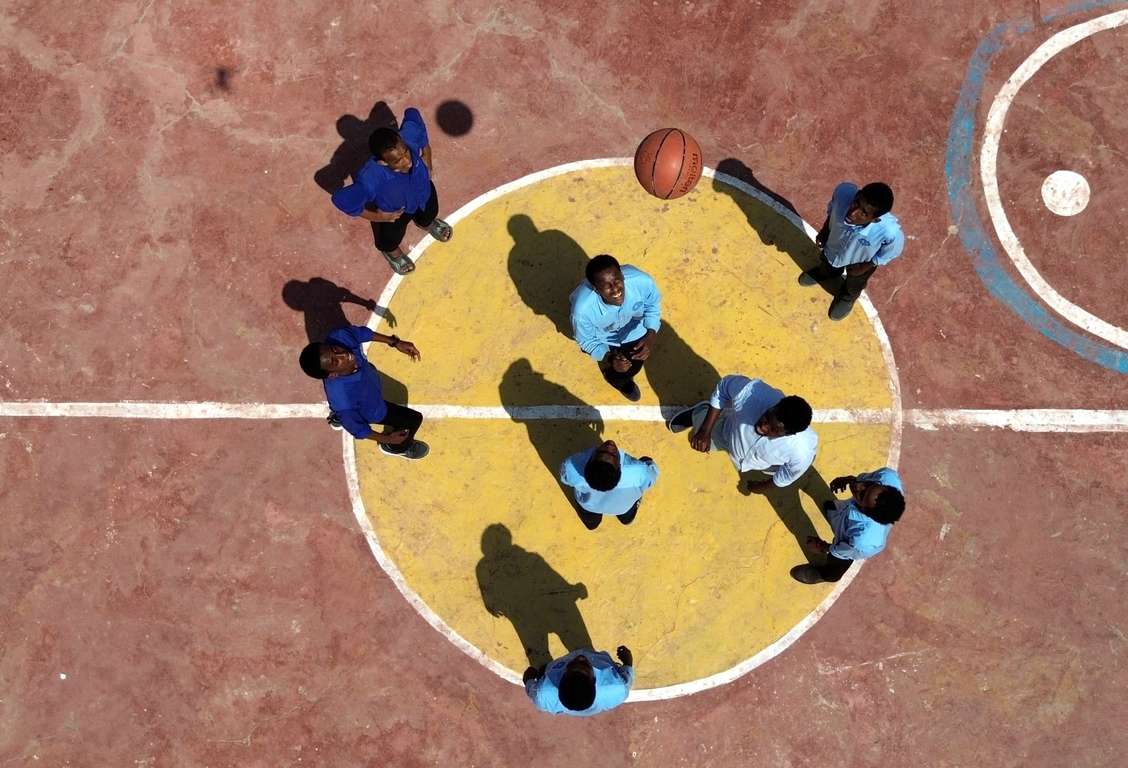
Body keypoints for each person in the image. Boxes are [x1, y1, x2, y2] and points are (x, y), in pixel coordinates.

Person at [330, 106, 453, 276]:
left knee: (429, 213)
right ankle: (392, 252)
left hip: (423, 194)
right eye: (398, 160)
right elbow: (341, 199)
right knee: (390, 239)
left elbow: (413, 115)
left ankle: (426, 223)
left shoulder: (408, 139)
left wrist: (427, 157)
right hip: (396, 213)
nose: (407, 161)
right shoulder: (371, 178)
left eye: (406, 152)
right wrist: (379, 217)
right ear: (382, 162)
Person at [298, 324, 428, 460]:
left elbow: (363, 334)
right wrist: (388, 439)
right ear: (332, 374)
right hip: (373, 410)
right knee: (414, 419)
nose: (344, 354)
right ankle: (396, 448)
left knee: (348, 411)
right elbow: (358, 430)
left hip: (365, 389)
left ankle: (339, 417)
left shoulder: (339, 337)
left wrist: (396, 342)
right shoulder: (343, 399)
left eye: (335, 349)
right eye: (335, 362)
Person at [666, 375, 816, 491]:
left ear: (789, 434)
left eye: (774, 430)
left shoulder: (801, 452)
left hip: (759, 463)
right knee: (700, 437)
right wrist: (705, 431)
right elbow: (723, 389)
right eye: (767, 417)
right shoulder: (751, 393)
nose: (763, 427)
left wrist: (762, 487)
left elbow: (787, 475)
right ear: (775, 406)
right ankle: (701, 411)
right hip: (728, 433)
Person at [799, 181, 904, 320]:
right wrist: (825, 231)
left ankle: (847, 297)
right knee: (828, 261)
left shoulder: (890, 233)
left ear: (875, 220)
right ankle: (827, 273)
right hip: (834, 245)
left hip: (860, 261)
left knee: (855, 283)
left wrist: (865, 267)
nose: (853, 213)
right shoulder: (843, 193)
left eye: (863, 213)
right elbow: (833, 211)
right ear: (857, 194)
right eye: (856, 203)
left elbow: (890, 252)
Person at [569, 254, 661, 402]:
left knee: (634, 366)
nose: (616, 290)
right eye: (607, 286)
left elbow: (653, 305)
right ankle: (618, 381)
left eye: (617, 281)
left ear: (623, 276)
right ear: (596, 289)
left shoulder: (643, 282)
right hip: (604, 338)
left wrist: (651, 334)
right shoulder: (581, 311)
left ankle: (623, 375)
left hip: (635, 331)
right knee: (618, 372)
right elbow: (586, 340)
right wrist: (610, 358)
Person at [792, 467, 905, 584]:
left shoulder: (862, 541)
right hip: (847, 511)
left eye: (862, 495)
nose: (858, 486)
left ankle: (827, 575)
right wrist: (850, 480)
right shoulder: (887, 476)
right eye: (868, 485)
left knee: (838, 561)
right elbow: (862, 483)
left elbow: (843, 550)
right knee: (833, 508)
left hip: (850, 543)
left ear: (866, 511)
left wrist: (823, 547)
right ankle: (836, 514)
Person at [559, 440, 659, 530]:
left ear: (590, 460)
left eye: (600, 452)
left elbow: (565, 479)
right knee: (627, 513)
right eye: (614, 455)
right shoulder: (640, 472)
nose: (610, 445)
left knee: (590, 520)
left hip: (588, 506)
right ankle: (626, 519)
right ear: (620, 467)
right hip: (622, 508)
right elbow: (652, 477)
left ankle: (592, 525)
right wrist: (649, 463)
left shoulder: (571, 468)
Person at [523, 646, 634, 716]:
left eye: (572, 665)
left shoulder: (542, 694)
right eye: (585, 665)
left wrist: (529, 679)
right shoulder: (617, 688)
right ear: (594, 679)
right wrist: (628, 662)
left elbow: (530, 687)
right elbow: (627, 678)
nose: (580, 657)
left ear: (562, 679)